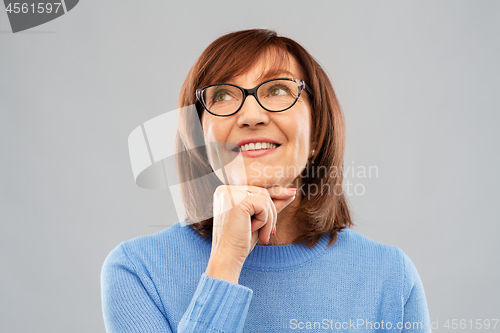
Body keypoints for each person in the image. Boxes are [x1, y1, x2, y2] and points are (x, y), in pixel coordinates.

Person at [101, 29, 432, 332]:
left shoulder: (390, 277)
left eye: (277, 89)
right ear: (199, 139)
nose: (251, 116)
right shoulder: (137, 271)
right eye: (223, 95)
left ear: (317, 131)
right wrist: (225, 263)